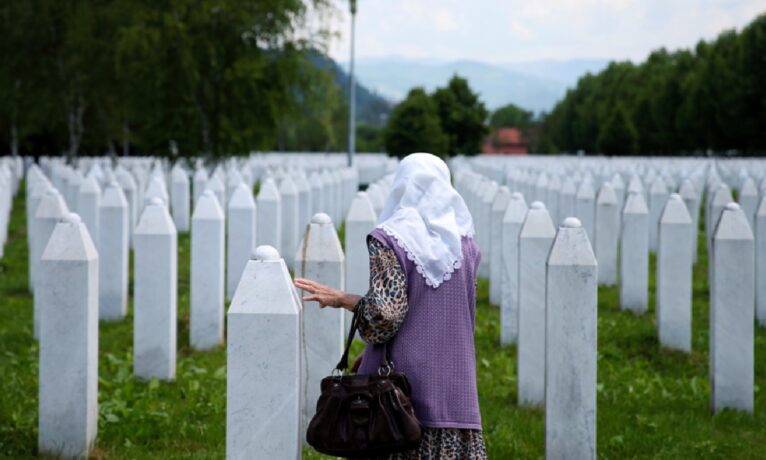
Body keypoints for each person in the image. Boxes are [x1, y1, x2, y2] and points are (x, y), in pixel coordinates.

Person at [295, 153, 486, 460]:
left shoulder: (391, 238)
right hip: (456, 388)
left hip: (398, 397)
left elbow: (385, 315)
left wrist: (344, 299)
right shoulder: (466, 245)